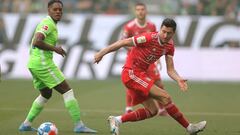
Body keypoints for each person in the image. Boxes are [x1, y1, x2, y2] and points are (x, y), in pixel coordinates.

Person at [94, 18, 206, 135]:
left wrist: (178, 79)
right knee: (165, 97)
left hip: (140, 75)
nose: (165, 35)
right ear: (160, 29)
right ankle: (189, 128)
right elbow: (123, 42)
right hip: (131, 73)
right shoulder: (148, 38)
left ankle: (117, 120)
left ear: (173, 33)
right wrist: (101, 53)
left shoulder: (170, 46)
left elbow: (170, 69)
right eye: (163, 31)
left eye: (169, 33)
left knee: (153, 111)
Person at [18, 0, 97, 133]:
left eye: (60, 10)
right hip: (42, 63)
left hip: (34, 63)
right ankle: (79, 125)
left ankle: (26, 124)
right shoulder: (47, 23)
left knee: (46, 93)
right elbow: (37, 41)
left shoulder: (50, 24)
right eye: (55, 9)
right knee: (67, 90)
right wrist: (55, 49)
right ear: (48, 10)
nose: (58, 12)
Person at [121, 2, 167, 116]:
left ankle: (161, 109)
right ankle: (128, 108)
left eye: (142, 9)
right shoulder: (129, 26)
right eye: (138, 10)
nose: (140, 11)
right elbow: (123, 42)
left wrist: (158, 58)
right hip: (134, 61)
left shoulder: (151, 26)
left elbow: (157, 43)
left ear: (146, 11)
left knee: (158, 82)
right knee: (132, 82)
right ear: (135, 12)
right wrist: (134, 51)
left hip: (149, 60)